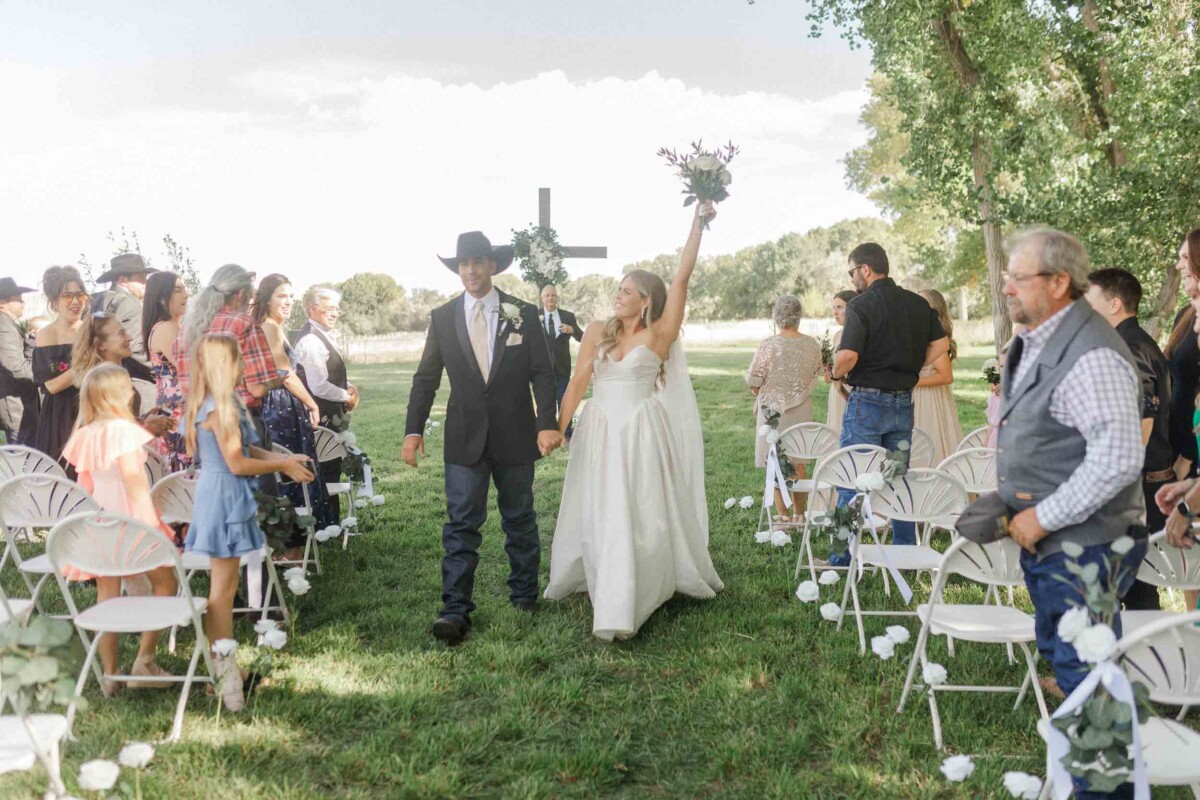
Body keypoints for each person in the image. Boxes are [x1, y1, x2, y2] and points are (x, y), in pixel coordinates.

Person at [1000, 229, 1146, 800]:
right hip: (1061, 546)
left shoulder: (1092, 352)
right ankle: (1078, 782)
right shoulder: (1040, 337)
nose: (1007, 286)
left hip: (1085, 548)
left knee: (1091, 690)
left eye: (1019, 276)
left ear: (1059, 282)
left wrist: (1041, 516)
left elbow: (1118, 456)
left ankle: (1098, 790)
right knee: (1075, 674)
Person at [545, 203, 724, 641]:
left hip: (643, 427)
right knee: (600, 501)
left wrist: (698, 223)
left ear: (646, 301)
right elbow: (577, 383)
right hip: (601, 426)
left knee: (641, 504)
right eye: (618, 289)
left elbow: (681, 278)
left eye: (627, 291)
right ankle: (603, 572)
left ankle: (644, 578)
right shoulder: (593, 330)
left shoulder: (661, 333)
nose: (618, 295)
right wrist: (557, 427)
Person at [403, 230, 561, 646]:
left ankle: (524, 595)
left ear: (493, 265)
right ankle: (455, 610)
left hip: (515, 433)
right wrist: (412, 430)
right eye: (463, 263)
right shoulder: (442, 317)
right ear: (458, 269)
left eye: (477, 262)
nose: (470, 270)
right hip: (464, 437)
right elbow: (426, 378)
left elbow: (543, 374)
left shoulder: (522, 313)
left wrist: (548, 422)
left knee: (520, 518)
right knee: (461, 524)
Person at [182, 335, 314, 711]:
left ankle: (228, 670)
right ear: (228, 366)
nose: (245, 367)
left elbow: (242, 449)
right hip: (224, 498)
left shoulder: (219, 404)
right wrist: (282, 465)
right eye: (239, 361)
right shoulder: (219, 409)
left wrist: (277, 456)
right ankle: (221, 674)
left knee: (226, 586)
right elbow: (237, 464)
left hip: (225, 494)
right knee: (221, 593)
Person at [61, 364, 179, 691]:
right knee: (166, 583)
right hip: (131, 521)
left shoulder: (85, 434)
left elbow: (85, 483)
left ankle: (110, 674)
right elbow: (136, 485)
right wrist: (151, 527)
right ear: (118, 395)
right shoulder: (124, 433)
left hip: (101, 521)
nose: (132, 391)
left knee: (107, 596)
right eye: (127, 387)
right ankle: (145, 658)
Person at [827, 243, 949, 561]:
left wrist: (836, 373)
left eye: (852, 271)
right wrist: (909, 367)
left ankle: (841, 557)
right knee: (898, 478)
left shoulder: (861, 305)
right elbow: (942, 343)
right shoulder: (917, 304)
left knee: (852, 477)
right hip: (903, 405)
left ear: (866, 269)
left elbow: (849, 355)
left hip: (867, 403)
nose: (852, 278)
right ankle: (905, 551)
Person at [1086, 268, 1170, 613]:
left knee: (1130, 588)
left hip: (1133, 488)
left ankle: (1134, 660)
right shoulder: (1134, 343)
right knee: (1133, 585)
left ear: (1115, 304)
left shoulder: (1128, 348)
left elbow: (1141, 424)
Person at [252, 274, 334, 539]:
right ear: (266, 299)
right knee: (288, 469)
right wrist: (311, 403)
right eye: (281, 296)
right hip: (279, 407)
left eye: (290, 296)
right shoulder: (269, 327)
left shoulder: (275, 326)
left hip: (285, 404)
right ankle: (290, 541)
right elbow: (285, 374)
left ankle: (299, 537)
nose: (288, 301)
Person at [746, 295, 822, 519]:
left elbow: (753, 379)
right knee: (799, 462)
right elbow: (815, 373)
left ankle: (783, 516)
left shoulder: (768, 345)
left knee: (775, 462)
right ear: (799, 317)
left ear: (776, 317)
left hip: (772, 411)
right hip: (801, 410)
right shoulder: (812, 344)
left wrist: (758, 392)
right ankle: (800, 515)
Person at [295, 286, 357, 519]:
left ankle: (331, 523)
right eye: (330, 308)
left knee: (331, 469)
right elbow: (318, 385)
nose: (335, 313)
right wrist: (345, 396)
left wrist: (350, 387)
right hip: (320, 419)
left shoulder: (320, 337)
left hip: (330, 416)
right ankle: (325, 524)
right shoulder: (311, 341)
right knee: (324, 471)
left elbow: (332, 373)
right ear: (313, 309)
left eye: (336, 308)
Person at [72, 315, 175, 440]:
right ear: (101, 345)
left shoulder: (109, 375)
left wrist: (144, 419)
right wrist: (147, 427)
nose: (129, 338)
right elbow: (109, 434)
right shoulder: (104, 380)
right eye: (121, 334)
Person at [33, 266, 88, 471]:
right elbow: (52, 386)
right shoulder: (46, 334)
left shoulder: (91, 329)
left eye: (79, 294)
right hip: (59, 416)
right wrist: (83, 365)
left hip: (90, 410)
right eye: (67, 295)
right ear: (55, 301)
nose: (75, 301)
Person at [92, 253, 158, 412]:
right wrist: (160, 371)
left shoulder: (99, 300)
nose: (145, 284)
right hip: (135, 380)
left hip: (103, 378)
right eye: (141, 279)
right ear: (123, 280)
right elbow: (136, 348)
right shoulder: (129, 303)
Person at [143, 271, 192, 471]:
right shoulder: (166, 328)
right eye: (178, 290)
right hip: (179, 414)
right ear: (162, 297)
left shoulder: (170, 327)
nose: (186, 295)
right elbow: (190, 369)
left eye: (185, 289)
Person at [1164, 229, 1200, 479]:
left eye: (1186, 257)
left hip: (1191, 454)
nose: (1179, 265)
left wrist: (1187, 456)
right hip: (1172, 443)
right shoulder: (1186, 315)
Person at [913, 289, 962, 465]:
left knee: (931, 439)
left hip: (930, 399)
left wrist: (914, 381)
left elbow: (947, 376)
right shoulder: (919, 333)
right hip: (916, 397)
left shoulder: (936, 336)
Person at [539, 284, 583, 439]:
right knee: (545, 399)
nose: (550, 298)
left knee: (564, 398)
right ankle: (548, 429)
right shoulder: (535, 316)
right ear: (542, 298)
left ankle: (566, 430)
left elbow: (582, 337)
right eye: (547, 295)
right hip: (542, 368)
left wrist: (572, 330)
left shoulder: (567, 316)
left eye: (553, 295)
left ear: (557, 297)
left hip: (562, 366)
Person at [0, 277, 39, 444]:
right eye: (18, 299)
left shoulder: (8, 324)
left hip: (19, 402)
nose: (23, 302)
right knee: (22, 458)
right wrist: (45, 374)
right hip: (15, 405)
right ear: (2, 303)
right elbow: (15, 366)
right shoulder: (4, 327)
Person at [824, 290, 856, 435]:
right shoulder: (837, 336)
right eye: (833, 308)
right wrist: (827, 370)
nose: (835, 312)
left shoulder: (858, 334)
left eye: (840, 307)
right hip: (835, 390)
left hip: (851, 389)